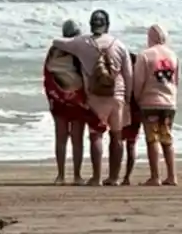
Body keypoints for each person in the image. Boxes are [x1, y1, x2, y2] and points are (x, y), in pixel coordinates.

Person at [52, 10, 132, 186]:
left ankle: (96, 178)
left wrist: (71, 38)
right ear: (107, 25)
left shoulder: (83, 43)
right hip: (117, 95)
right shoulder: (119, 45)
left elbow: (57, 42)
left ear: (91, 24)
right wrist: (126, 97)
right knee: (116, 136)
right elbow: (128, 74)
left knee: (96, 136)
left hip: (95, 97)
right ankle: (114, 177)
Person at [43, 19, 89, 185]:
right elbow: (87, 74)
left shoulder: (54, 51)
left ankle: (60, 176)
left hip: (59, 99)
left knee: (60, 138)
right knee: (77, 139)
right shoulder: (80, 50)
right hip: (78, 99)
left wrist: (53, 96)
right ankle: (77, 176)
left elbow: (47, 76)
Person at [133, 24, 180, 186]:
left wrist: (137, 98)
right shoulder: (173, 56)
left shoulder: (145, 55)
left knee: (152, 139)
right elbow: (176, 81)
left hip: (150, 102)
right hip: (169, 103)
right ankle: (172, 175)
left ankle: (155, 176)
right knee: (167, 138)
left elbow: (139, 81)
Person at [120, 53, 141, 185]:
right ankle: (127, 177)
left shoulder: (123, 77)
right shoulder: (139, 78)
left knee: (117, 142)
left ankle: (114, 174)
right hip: (136, 112)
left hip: (122, 111)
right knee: (131, 144)